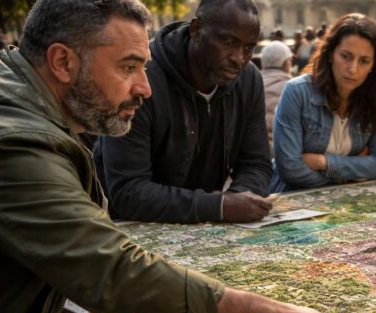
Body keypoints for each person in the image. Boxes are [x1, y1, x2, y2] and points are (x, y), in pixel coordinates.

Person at [0, 0, 364, 313]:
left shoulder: (24, 104)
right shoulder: (18, 143)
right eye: (128, 67)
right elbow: (113, 270)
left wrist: (50, 299)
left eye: (145, 67)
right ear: (62, 62)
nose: (145, 89)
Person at [94, 0, 273, 224]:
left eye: (249, 48)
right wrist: (217, 207)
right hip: (129, 226)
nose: (239, 58)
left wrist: (240, 197)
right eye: (229, 42)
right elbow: (128, 191)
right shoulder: (141, 80)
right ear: (197, 30)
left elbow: (256, 163)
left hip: (204, 229)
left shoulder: (249, 80)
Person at [270, 13, 376, 192]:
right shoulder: (297, 92)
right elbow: (290, 169)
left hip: (346, 203)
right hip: (291, 199)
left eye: (364, 61)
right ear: (330, 54)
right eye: (346, 56)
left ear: (373, 66)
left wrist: (323, 162)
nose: (353, 69)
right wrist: (346, 179)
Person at [261, 41, 293, 149]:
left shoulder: (252, 84)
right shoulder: (293, 89)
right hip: (282, 148)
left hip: (254, 147)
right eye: (290, 61)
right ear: (286, 64)